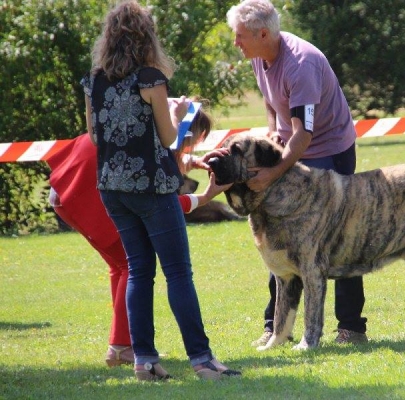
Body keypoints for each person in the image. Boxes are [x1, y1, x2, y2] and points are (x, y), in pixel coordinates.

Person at [81, 1, 240, 380]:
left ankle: (145, 361)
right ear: (146, 37)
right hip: (151, 187)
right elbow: (169, 138)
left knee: (138, 272)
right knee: (178, 273)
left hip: (112, 188)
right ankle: (202, 360)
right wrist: (176, 114)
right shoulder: (151, 78)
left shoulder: (94, 79)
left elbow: (94, 135)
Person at [226, 0, 368, 347]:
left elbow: (304, 136)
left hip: (328, 151)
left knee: (340, 237)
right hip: (294, 150)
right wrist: (272, 131)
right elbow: (272, 103)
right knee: (277, 237)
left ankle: (351, 327)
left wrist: (272, 174)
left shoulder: (300, 64)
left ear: (262, 33)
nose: (236, 43)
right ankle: (277, 327)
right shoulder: (261, 55)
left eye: (240, 36)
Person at [47, 105, 217, 369]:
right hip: (81, 193)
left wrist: (183, 161)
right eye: (191, 142)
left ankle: (120, 344)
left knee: (120, 266)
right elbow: (163, 206)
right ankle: (120, 346)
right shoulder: (160, 135)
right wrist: (204, 198)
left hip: (63, 191)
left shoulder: (142, 117)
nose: (191, 148)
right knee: (130, 265)